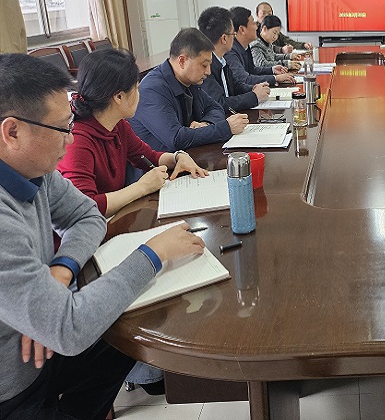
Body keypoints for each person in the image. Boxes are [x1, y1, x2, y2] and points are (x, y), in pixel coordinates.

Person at [0, 53, 205, 420]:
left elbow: (87, 215)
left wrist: (60, 270)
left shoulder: (35, 170)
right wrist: (152, 254)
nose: (70, 139)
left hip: (46, 345)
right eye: (62, 128)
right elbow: (67, 327)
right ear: (12, 132)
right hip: (13, 387)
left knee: (122, 334)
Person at [58, 49, 208, 223]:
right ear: (119, 97)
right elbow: (86, 206)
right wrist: (142, 187)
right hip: (90, 231)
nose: (139, 94)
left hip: (113, 221)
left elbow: (148, 157)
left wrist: (177, 157)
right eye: (136, 88)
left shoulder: (118, 125)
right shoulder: (77, 141)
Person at [130, 28, 249, 151]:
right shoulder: (152, 90)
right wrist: (226, 128)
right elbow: (176, 139)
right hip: (160, 162)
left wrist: (206, 124)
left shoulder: (189, 80)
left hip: (186, 156)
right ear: (182, 61)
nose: (208, 71)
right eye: (204, 65)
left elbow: (215, 107)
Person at [197, 6, 270, 111]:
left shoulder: (221, 60)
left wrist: (253, 88)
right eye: (233, 34)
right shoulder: (206, 66)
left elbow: (235, 85)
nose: (234, 38)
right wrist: (254, 96)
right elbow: (219, 103)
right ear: (224, 38)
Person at [226, 6, 296, 88]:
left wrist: (272, 70)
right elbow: (245, 79)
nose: (256, 27)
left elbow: (252, 70)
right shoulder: (231, 52)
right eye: (253, 23)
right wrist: (275, 78)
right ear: (242, 30)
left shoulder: (245, 46)